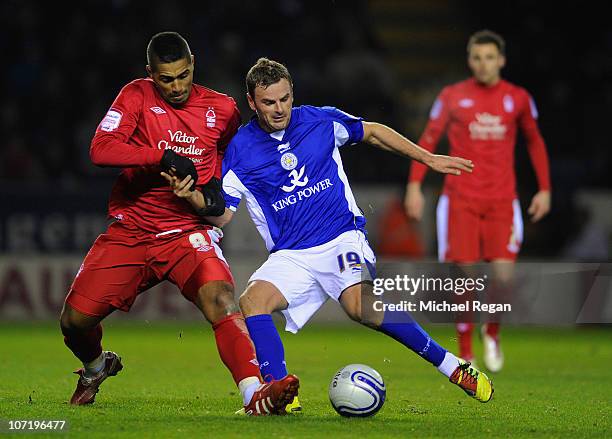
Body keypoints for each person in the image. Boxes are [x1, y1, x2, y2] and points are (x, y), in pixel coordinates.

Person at [167, 57, 494, 411]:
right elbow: (224, 215)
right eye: (268, 102)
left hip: (341, 237)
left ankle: (453, 366)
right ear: (251, 101)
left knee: (361, 307)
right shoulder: (239, 150)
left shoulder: (319, 120)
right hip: (291, 254)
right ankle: (280, 395)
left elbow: (371, 131)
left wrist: (426, 158)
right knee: (251, 302)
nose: (279, 109)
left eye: (285, 99)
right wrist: (196, 199)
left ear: (293, 93)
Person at [59, 32, 298, 415]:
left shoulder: (222, 109)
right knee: (74, 322)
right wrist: (161, 157)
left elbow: (233, 160)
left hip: (189, 231)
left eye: (183, 75)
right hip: (133, 230)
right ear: (150, 73)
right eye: (166, 79)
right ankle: (96, 367)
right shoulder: (136, 95)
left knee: (220, 300)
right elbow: (100, 149)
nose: (176, 86)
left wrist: (215, 193)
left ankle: (253, 395)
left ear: (193, 64)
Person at [404, 30, 551, 372]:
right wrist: (414, 186)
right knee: (465, 277)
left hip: (502, 201)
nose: (483, 64)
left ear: (501, 60)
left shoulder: (518, 98)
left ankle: (493, 331)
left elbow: (535, 142)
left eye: (489, 57)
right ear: (469, 61)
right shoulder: (452, 97)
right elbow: (427, 140)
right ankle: (466, 348)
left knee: (503, 276)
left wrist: (544, 189)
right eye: (476, 57)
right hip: (461, 200)